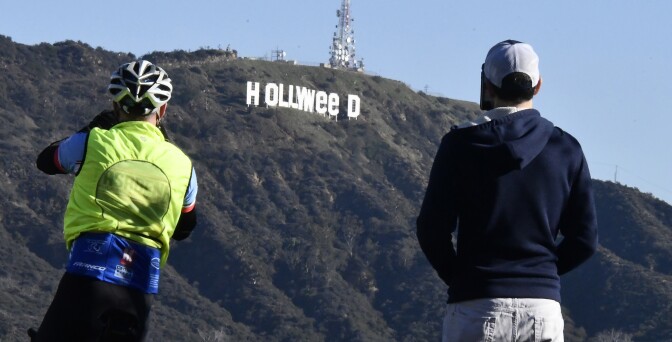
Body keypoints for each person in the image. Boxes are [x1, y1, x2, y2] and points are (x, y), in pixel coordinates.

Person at [416, 40, 598, 341]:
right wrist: (542, 274)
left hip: (477, 306)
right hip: (542, 311)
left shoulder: (460, 146)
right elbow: (585, 239)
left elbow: (431, 230)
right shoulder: (566, 149)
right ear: (538, 86)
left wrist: (464, 279)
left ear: (487, 85)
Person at [32, 60, 198, 341]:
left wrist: (94, 126)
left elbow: (46, 161)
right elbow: (184, 228)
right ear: (164, 110)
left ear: (115, 107)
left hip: (88, 278)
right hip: (140, 289)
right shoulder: (184, 166)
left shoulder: (92, 141)